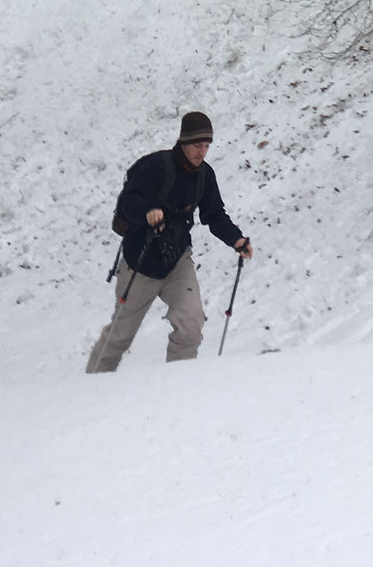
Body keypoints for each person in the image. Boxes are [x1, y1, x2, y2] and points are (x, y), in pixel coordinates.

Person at [86, 111, 253, 372]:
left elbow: (214, 214)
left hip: (177, 260)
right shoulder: (154, 167)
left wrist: (236, 240)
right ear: (184, 142)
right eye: (198, 145)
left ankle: (176, 389)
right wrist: (147, 212)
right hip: (140, 263)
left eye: (207, 146)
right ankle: (90, 387)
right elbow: (127, 203)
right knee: (120, 335)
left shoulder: (204, 176)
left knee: (191, 325)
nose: (202, 152)